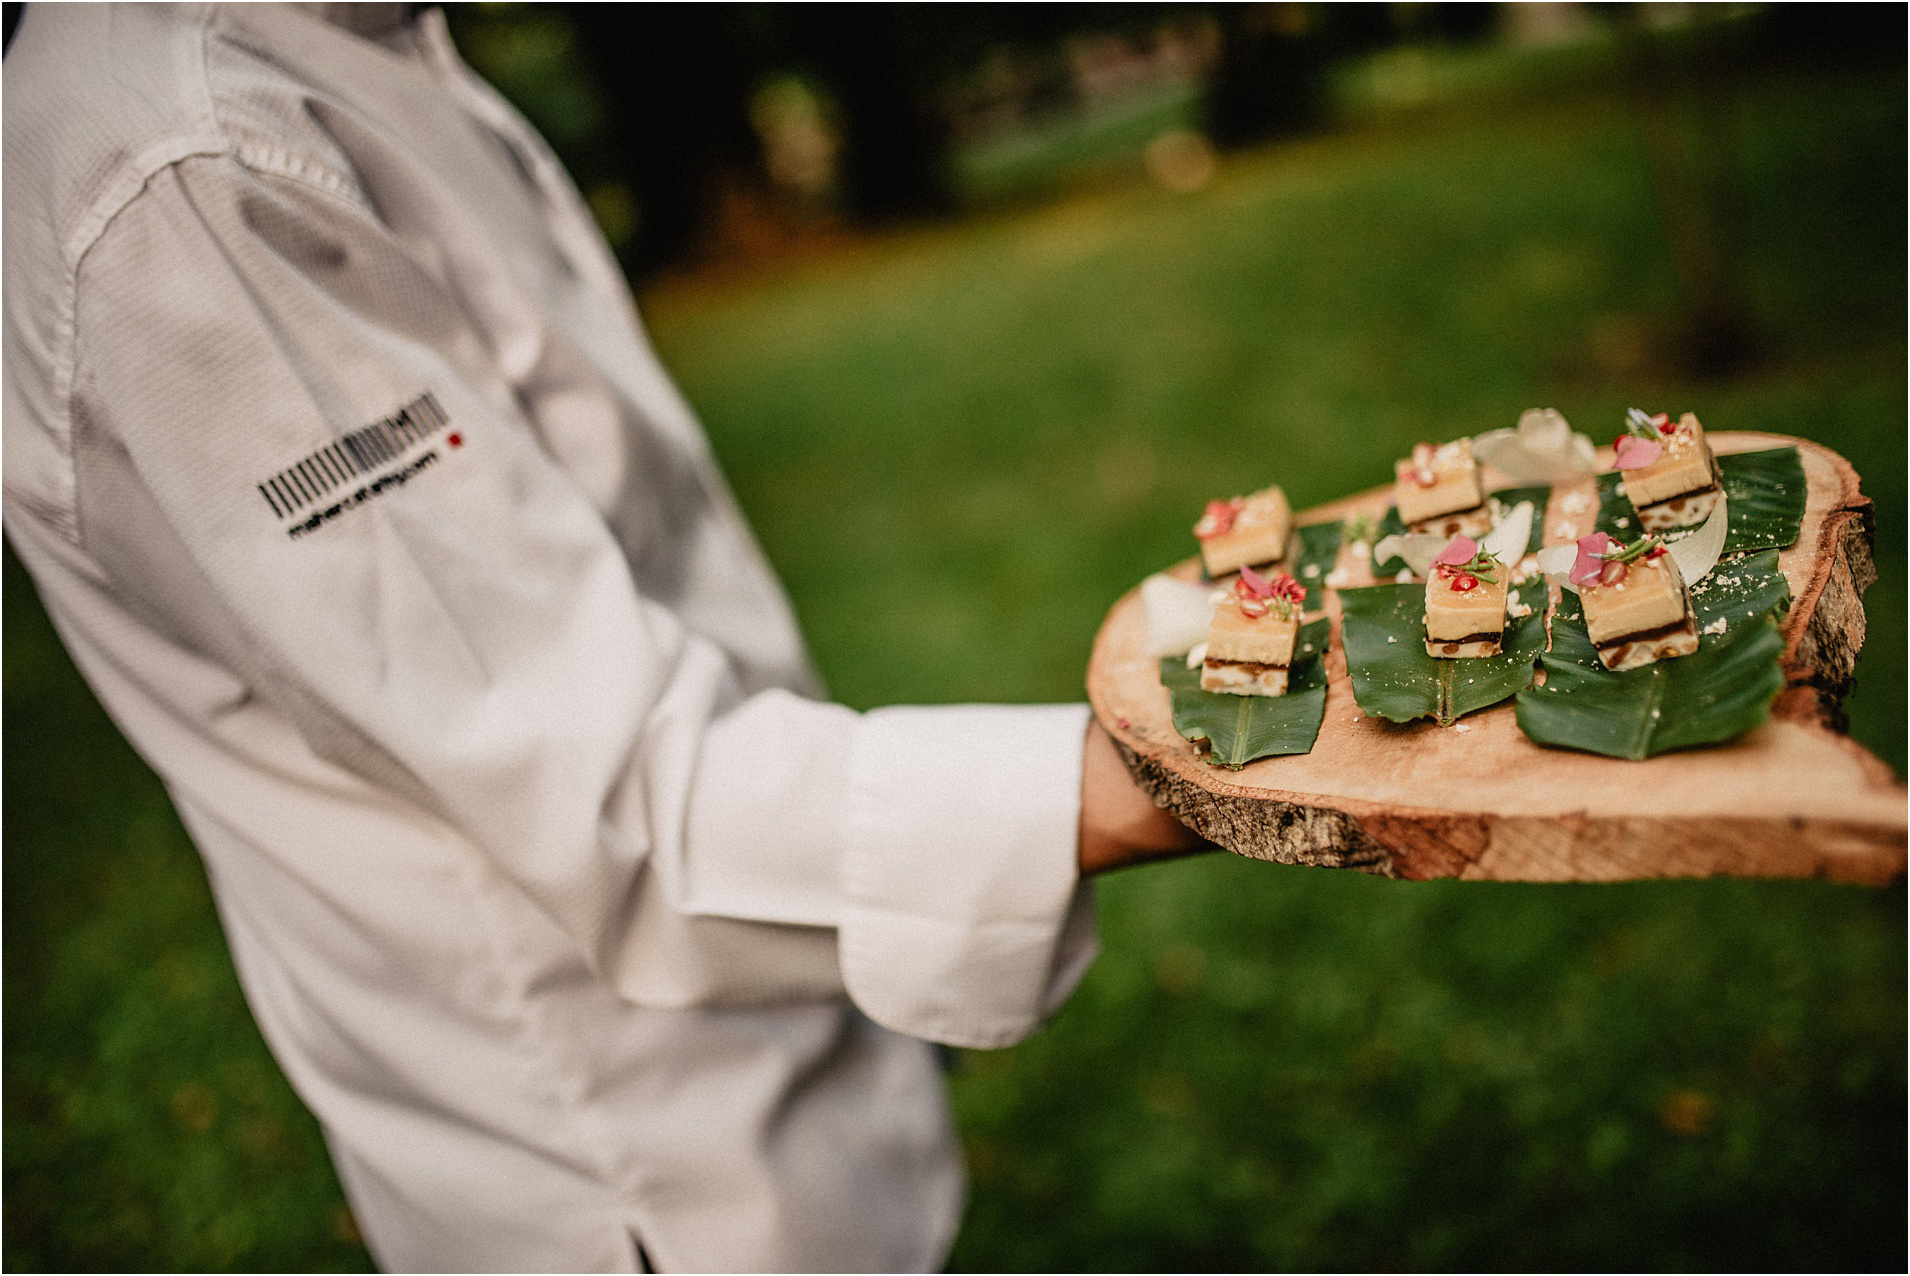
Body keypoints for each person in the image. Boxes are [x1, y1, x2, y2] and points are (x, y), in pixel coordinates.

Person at [2, 5, 1202, 1270]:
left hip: (764, 1071)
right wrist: (1192, 766)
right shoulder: (177, 175)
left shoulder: (341, 41)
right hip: (633, 1175)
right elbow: (619, 797)